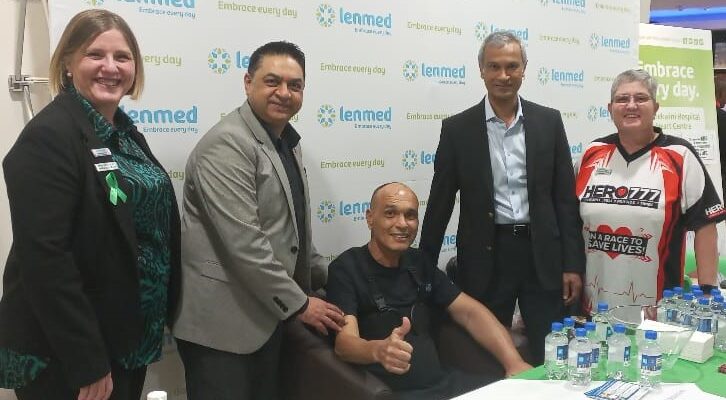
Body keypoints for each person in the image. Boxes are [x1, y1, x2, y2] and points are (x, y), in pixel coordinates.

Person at [0, 9, 180, 400]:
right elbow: (46, 260)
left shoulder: (124, 133)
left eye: (122, 57)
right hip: (71, 355)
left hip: (126, 339)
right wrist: (87, 361)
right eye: (95, 54)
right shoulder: (49, 137)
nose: (110, 67)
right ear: (67, 62)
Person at [172, 41, 344, 400]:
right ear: (247, 82)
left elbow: (291, 231)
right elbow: (244, 245)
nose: (284, 93)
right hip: (223, 332)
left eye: (295, 85)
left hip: (266, 319)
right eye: (272, 81)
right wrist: (300, 304)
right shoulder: (227, 145)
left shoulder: (285, 142)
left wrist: (342, 279)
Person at [419, 31, 585, 364]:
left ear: (525, 69)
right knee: (487, 356)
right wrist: (422, 269)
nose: (503, 76)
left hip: (543, 256)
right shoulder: (457, 129)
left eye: (512, 66)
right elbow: (439, 204)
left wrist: (572, 264)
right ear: (481, 69)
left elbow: (565, 201)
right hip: (485, 257)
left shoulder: (548, 122)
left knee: (551, 351)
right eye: (494, 66)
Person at [327, 182, 532, 400]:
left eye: (410, 216)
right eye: (390, 214)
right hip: (393, 393)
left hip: (443, 385)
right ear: (370, 217)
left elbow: (470, 313)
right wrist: (377, 350)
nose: (402, 224)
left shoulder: (419, 263)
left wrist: (514, 361)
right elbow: (344, 344)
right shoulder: (346, 268)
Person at [575, 69, 724, 311]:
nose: (631, 105)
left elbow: (705, 226)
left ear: (656, 107)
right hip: (593, 308)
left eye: (641, 98)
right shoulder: (592, 153)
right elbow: (569, 220)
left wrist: (708, 293)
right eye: (622, 99)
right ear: (610, 107)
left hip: (659, 311)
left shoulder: (680, 155)